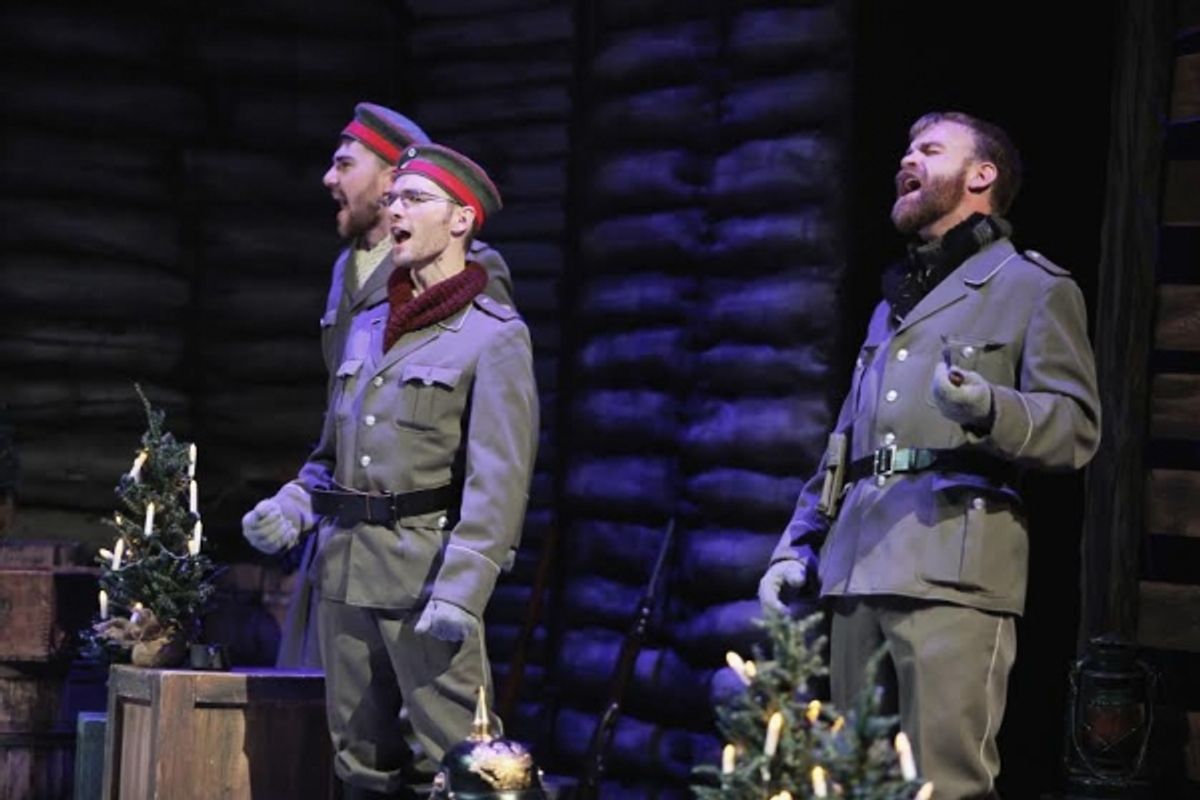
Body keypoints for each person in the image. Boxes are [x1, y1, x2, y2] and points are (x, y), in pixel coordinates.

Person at [758, 111, 1100, 799]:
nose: (906, 160)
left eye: (929, 149)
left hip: (953, 568)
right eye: (906, 150)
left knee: (944, 784)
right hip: (857, 569)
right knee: (855, 780)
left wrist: (992, 409)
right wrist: (797, 544)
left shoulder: (1033, 288)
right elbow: (845, 446)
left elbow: (1076, 428)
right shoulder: (892, 306)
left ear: (982, 175)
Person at [244, 142, 538, 799]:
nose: (393, 208)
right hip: (345, 574)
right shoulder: (369, 326)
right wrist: (293, 505)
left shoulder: (493, 335)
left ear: (460, 220)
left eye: (414, 198)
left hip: (424, 577)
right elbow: (329, 458)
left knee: (465, 765)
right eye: (393, 196)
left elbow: (499, 482)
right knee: (358, 765)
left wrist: (462, 589)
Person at [251, 102, 516, 670]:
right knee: (330, 723)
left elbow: (490, 441)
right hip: (342, 544)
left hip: (417, 557)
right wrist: (301, 499)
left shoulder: (473, 275)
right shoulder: (347, 270)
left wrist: (463, 577)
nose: (329, 178)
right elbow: (346, 414)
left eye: (344, 164)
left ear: (391, 176)